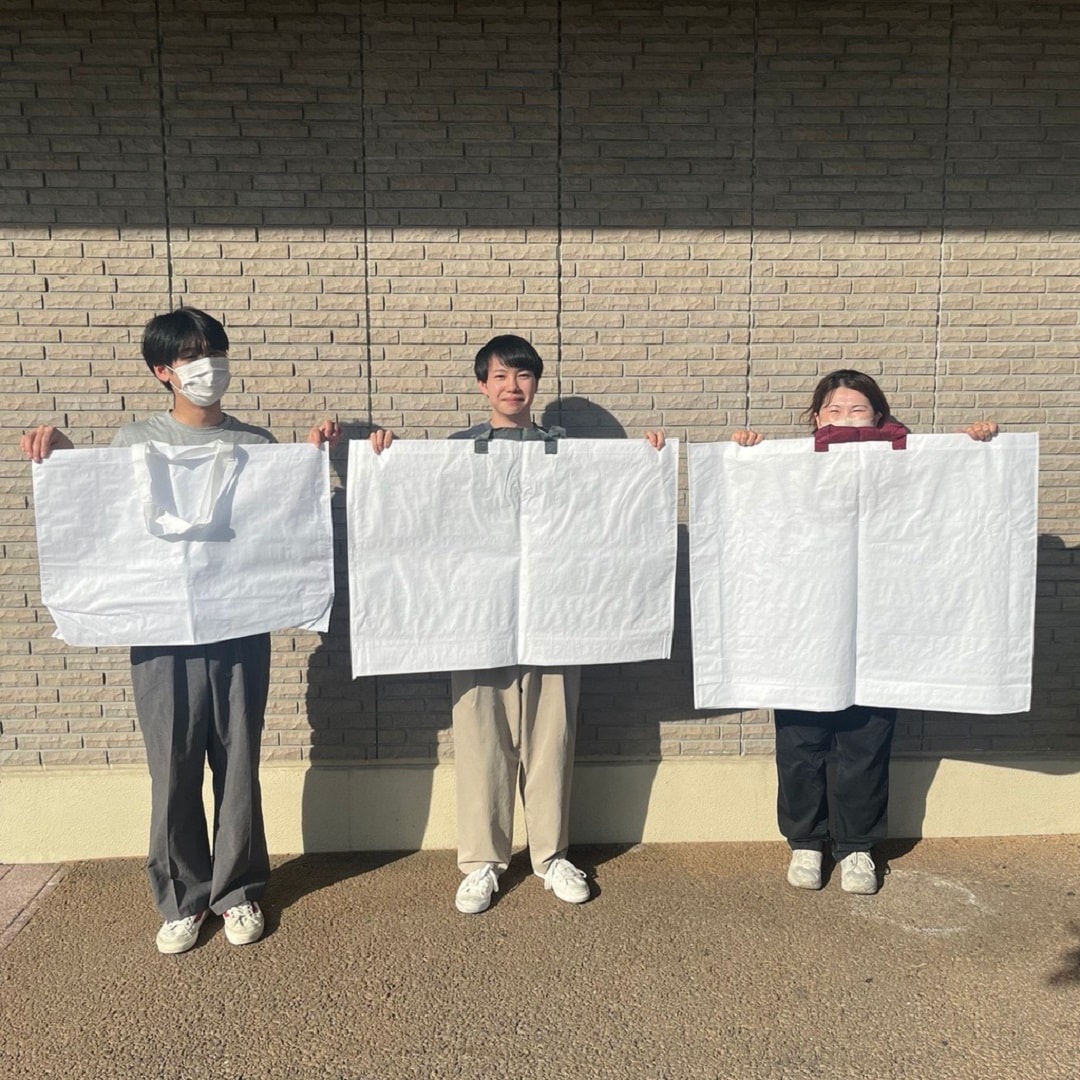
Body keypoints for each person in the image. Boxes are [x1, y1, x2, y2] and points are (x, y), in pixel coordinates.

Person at [21, 307, 341, 954]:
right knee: (172, 767)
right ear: (161, 371)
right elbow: (102, 520)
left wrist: (310, 462)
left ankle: (238, 891)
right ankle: (181, 899)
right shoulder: (134, 442)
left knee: (238, 761)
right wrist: (61, 460)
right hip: (160, 631)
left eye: (214, 352)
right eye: (191, 356)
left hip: (239, 626)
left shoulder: (255, 445)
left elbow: (281, 530)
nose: (207, 367)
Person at [373, 334, 664, 914]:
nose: (513, 386)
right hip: (475, 618)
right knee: (482, 739)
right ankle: (483, 861)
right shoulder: (457, 451)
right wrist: (387, 461)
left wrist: (646, 461)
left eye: (524, 376)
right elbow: (421, 517)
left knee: (551, 739)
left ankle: (552, 856)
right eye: (501, 376)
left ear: (536, 384)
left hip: (556, 617)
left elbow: (605, 514)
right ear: (483, 385)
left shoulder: (567, 451)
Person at [731, 369, 998, 895]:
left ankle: (857, 847)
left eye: (858, 410)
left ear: (879, 415)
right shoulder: (795, 469)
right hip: (805, 627)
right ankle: (806, 842)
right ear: (816, 418)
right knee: (800, 742)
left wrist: (974, 449)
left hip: (881, 628)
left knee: (866, 743)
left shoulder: (905, 466)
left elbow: (946, 504)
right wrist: (746, 457)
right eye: (834, 410)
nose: (846, 419)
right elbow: (759, 521)